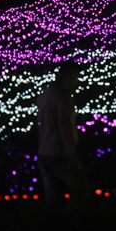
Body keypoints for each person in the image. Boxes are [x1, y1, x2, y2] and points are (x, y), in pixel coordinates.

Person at [36, 61, 90, 214]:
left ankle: (55, 224)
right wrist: (73, 155)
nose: (76, 83)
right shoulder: (63, 97)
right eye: (75, 78)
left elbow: (40, 123)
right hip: (60, 153)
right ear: (67, 77)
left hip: (45, 151)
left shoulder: (45, 94)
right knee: (81, 189)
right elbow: (64, 124)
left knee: (53, 199)